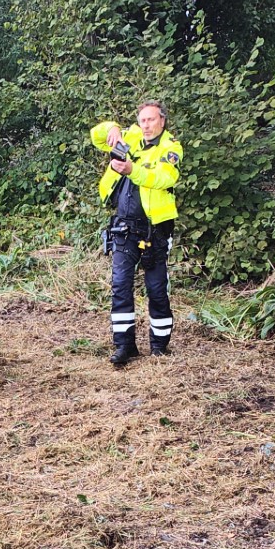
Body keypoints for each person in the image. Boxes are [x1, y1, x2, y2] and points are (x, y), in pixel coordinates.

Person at [90, 101, 182, 366]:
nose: (146, 125)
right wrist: (113, 129)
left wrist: (133, 171)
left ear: (162, 121)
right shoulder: (130, 136)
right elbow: (96, 136)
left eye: (151, 120)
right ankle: (124, 345)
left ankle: (159, 347)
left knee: (156, 289)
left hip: (155, 229)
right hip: (124, 227)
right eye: (142, 120)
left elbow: (165, 178)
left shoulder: (170, 147)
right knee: (119, 285)